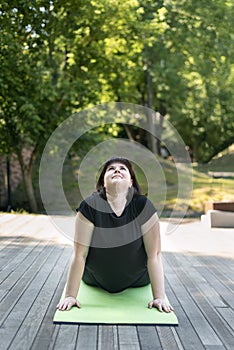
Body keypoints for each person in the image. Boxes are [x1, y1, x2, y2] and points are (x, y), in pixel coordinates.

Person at [57, 157, 174, 313]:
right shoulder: (89, 206)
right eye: (111, 169)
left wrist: (159, 297)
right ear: (103, 182)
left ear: (131, 182)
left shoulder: (143, 206)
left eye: (122, 168)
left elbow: (154, 255)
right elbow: (80, 255)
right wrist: (70, 296)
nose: (117, 170)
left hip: (138, 280)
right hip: (95, 280)